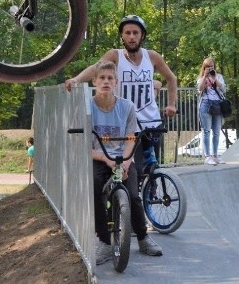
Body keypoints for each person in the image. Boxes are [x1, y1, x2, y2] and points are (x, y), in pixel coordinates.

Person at [65, 14, 177, 179]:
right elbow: (96, 68)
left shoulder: (151, 56)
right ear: (122, 36)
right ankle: (131, 199)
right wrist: (76, 79)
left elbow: (171, 78)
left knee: (153, 168)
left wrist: (172, 104)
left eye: (135, 33)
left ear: (142, 35)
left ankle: (149, 197)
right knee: (135, 170)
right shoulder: (115, 55)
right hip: (128, 123)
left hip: (151, 121)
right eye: (127, 33)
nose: (131, 37)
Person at [88, 60, 163, 265]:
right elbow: (83, 145)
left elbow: (131, 137)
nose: (105, 82)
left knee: (133, 195)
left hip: (123, 158)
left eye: (110, 78)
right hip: (99, 157)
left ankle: (143, 237)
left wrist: (127, 161)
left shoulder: (127, 106)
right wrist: (105, 158)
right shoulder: (87, 107)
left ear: (116, 82)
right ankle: (103, 242)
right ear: (94, 81)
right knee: (95, 187)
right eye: (101, 78)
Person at [196, 57, 227, 165]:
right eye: (207, 67)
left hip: (217, 105)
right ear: (204, 68)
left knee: (217, 132)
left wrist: (215, 79)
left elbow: (224, 89)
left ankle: (215, 155)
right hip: (205, 105)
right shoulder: (201, 78)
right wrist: (205, 76)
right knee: (206, 131)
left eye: (211, 66)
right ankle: (208, 156)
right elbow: (199, 89)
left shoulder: (219, 77)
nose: (210, 69)